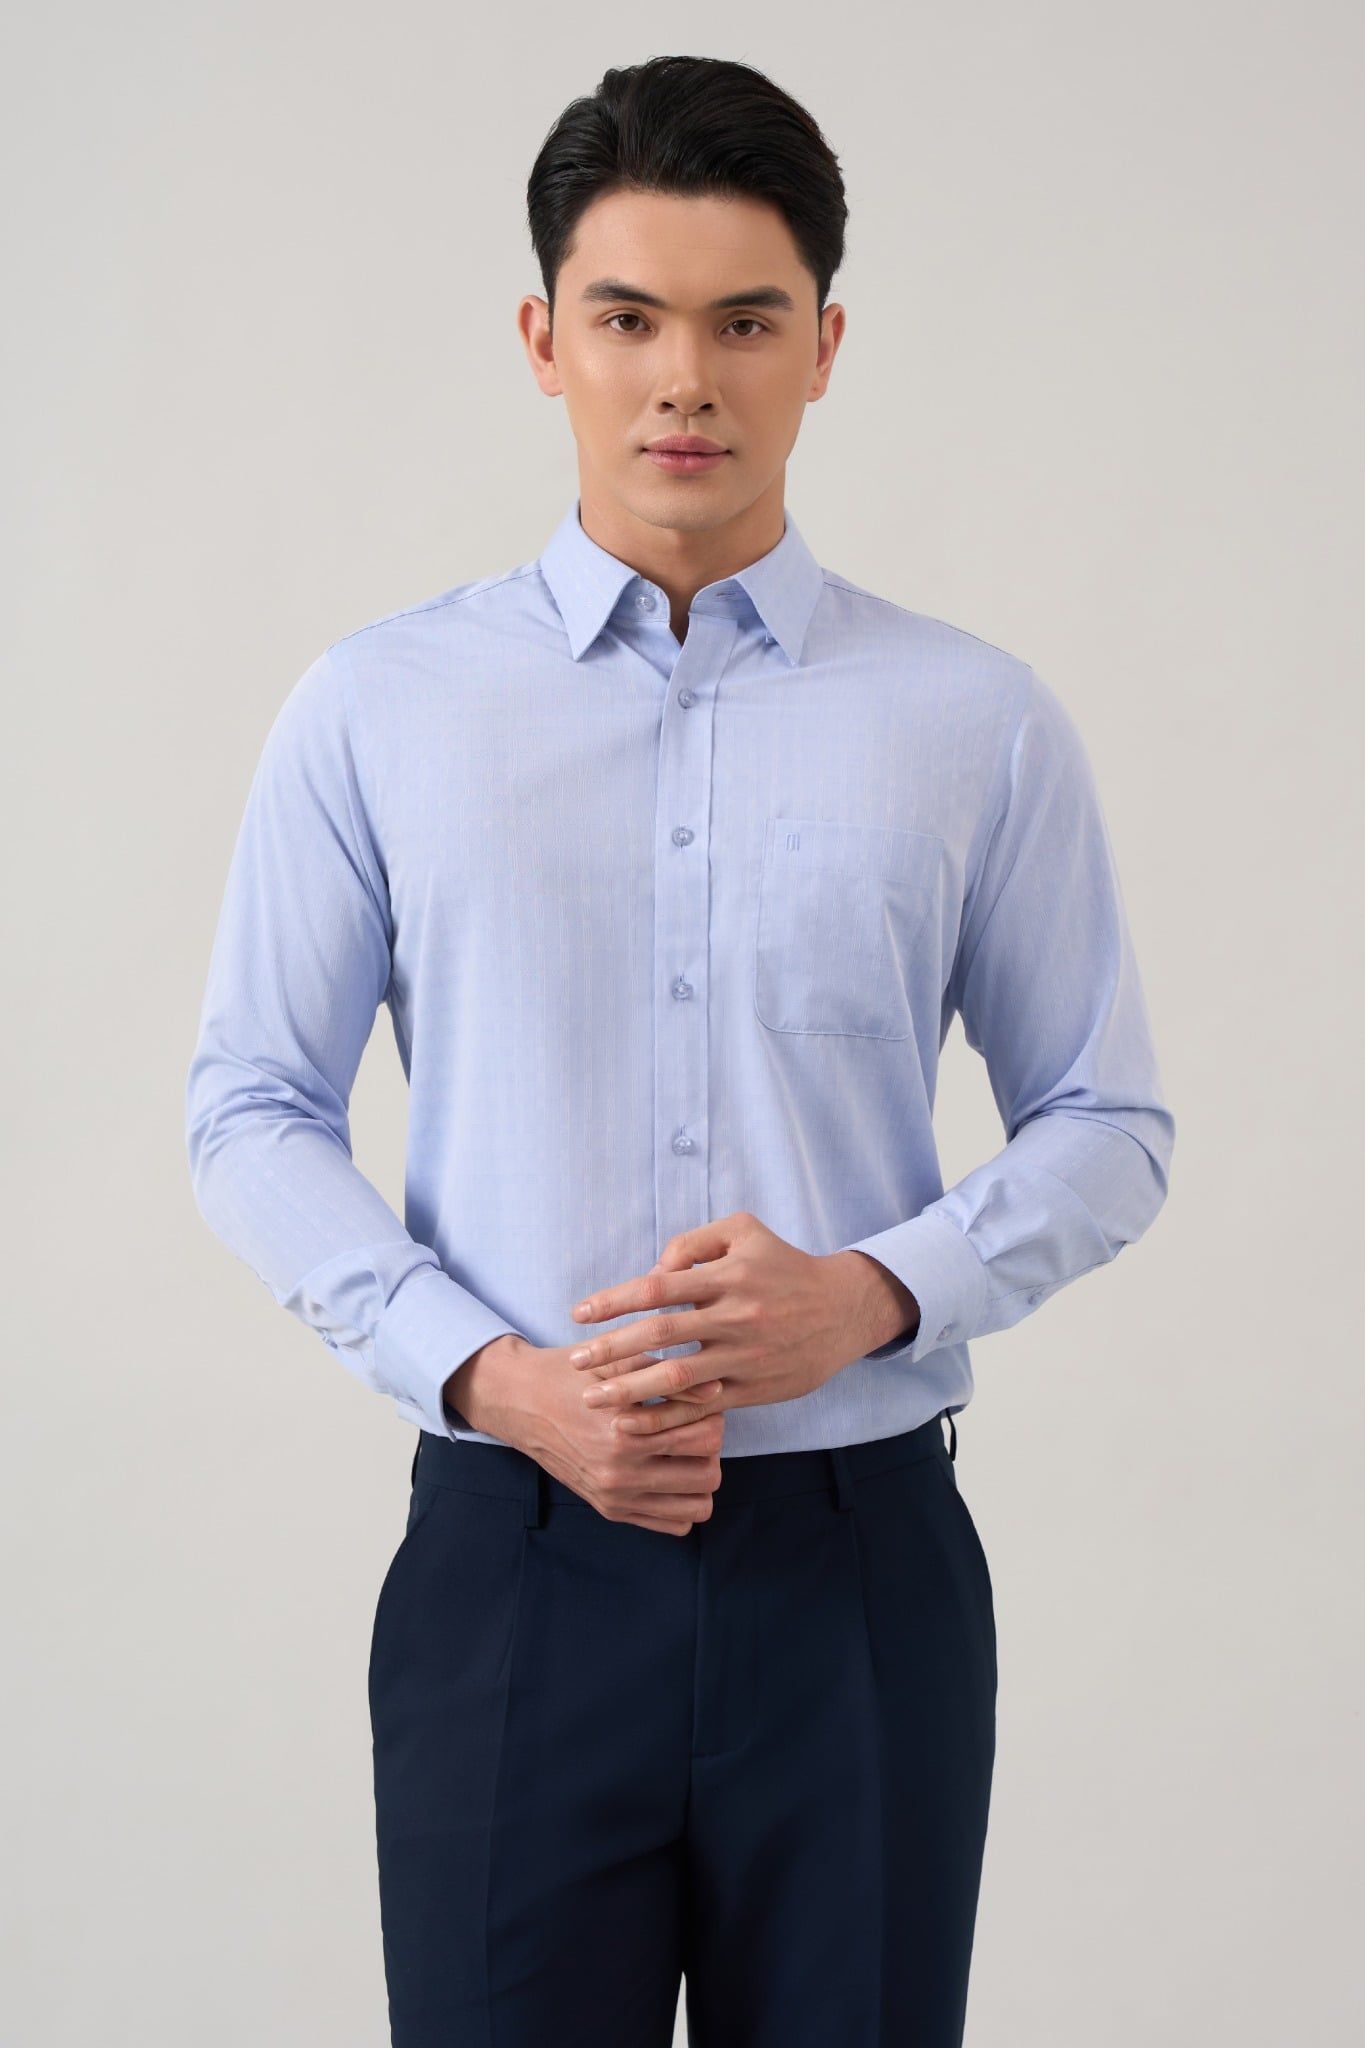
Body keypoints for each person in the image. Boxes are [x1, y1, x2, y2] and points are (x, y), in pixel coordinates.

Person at [184, 52, 1175, 2048]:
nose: (682, 382)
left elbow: (1107, 1121)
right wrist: (492, 1377)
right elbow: (249, 1108)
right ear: (542, 339)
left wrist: (870, 1293)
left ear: (823, 347)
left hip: (857, 1575)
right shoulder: (379, 709)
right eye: (628, 319)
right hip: (515, 1563)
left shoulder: (969, 719)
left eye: (742, 322)